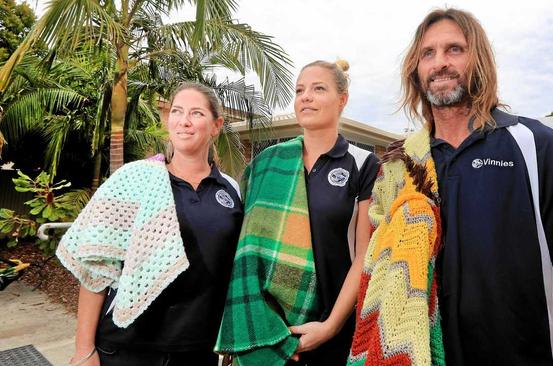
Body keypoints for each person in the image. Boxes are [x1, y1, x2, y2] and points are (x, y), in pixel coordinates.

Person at [349, 8, 553, 366]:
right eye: (428, 53)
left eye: (455, 49)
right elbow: (376, 269)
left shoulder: (536, 146)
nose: (440, 62)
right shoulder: (400, 166)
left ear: (480, 60)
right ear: (416, 69)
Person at [57, 82, 243, 366]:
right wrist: (84, 350)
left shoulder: (231, 190)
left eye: (196, 113)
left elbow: (232, 271)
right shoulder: (134, 179)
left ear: (216, 126)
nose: (184, 121)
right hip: (127, 347)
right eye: (177, 112)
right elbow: (97, 268)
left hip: (196, 349)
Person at [216, 60, 379, 366]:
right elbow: (247, 249)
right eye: (300, 90)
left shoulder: (363, 164)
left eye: (319, 89)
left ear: (342, 99)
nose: (306, 96)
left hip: (333, 326)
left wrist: (330, 327)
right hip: (268, 324)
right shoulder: (267, 163)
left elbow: (364, 256)